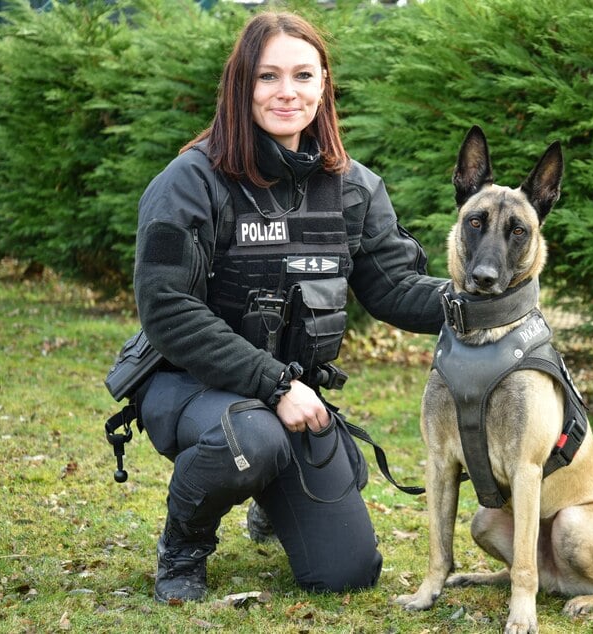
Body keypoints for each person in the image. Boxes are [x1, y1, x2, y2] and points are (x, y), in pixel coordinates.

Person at [132, 11, 446, 603]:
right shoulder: (189, 182)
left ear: (323, 83)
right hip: (189, 384)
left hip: (289, 394)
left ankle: (272, 501)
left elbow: (395, 287)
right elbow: (167, 308)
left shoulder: (352, 187)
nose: (287, 92)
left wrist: (475, 302)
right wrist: (275, 385)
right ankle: (182, 548)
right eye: (267, 76)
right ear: (240, 85)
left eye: (303, 75)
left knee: (346, 575)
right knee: (253, 436)